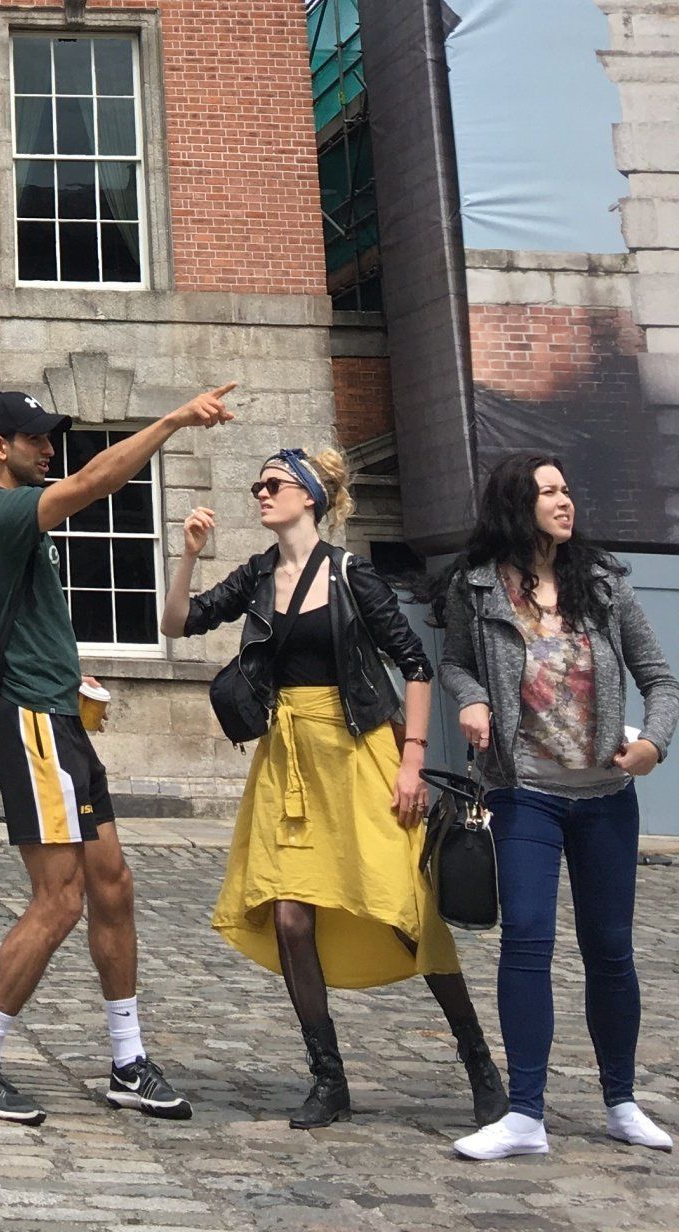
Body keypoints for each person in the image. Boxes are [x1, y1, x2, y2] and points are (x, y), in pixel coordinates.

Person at [162, 447, 504, 1132]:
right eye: (256, 483)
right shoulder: (259, 574)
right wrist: (190, 554)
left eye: (273, 483)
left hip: (359, 755)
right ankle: (328, 1077)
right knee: (290, 916)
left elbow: (414, 664)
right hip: (286, 760)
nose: (260, 492)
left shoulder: (352, 574)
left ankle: (479, 1063)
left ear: (311, 497)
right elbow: (177, 623)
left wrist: (411, 762)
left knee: (408, 908)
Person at [0, 382, 236, 1129]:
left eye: (51, 438)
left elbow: (28, 622)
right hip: (31, 725)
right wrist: (171, 418)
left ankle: (127, 1061)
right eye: (36, 438)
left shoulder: (15, 522)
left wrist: (71, 674)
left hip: (59, 715)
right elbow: (94, 483)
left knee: (113, 884)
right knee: (61, 898)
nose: (49, 448)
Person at [439, 451, 678, 1162]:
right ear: (518, 504)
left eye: (567, 489)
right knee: (528, 940)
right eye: (548, 492)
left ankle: (621, 1101)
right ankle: (524, 1116)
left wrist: (653, 748)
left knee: (610, 950)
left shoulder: (603, 584)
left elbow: (660, 679)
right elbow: (453, 660)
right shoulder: (476, 587)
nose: (565, 501)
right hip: (527, 796)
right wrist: (473, 698)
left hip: (606, 798)